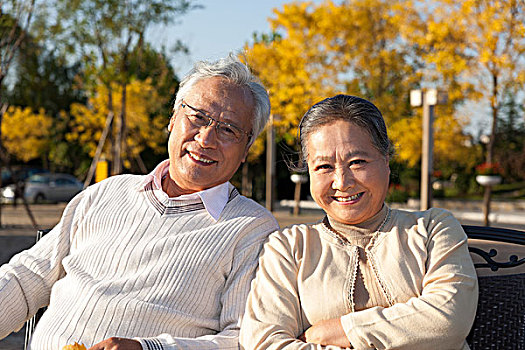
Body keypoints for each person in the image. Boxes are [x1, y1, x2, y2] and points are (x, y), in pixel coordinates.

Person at [0, 54, 279, 350]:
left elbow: (240, 340)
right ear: (173, 119)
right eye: (198, 117)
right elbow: (27, 276)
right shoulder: (107, 192)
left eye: (229, 129)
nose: (207, 138)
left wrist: (148, 348)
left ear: (246, 149)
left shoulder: (252, 230)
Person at [240, 95, 478, 350]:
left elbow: (449, 319)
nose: (342, 182)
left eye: (357, 162)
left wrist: (341, 330)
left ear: (386, 160)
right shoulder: (289, 247)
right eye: (323, 167)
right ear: (307, 169)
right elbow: (264, 342)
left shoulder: (433, 228)